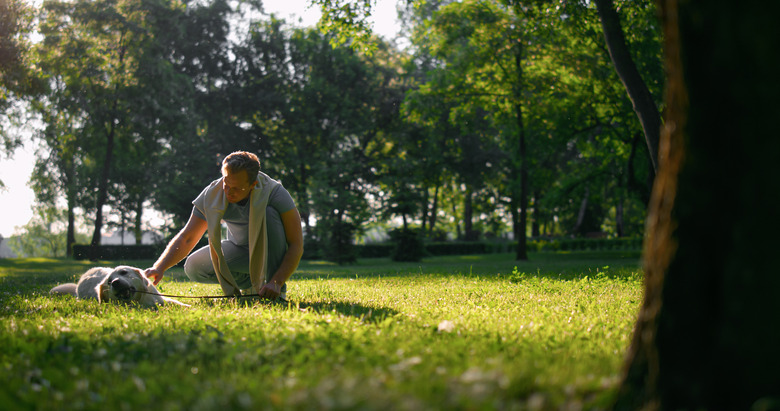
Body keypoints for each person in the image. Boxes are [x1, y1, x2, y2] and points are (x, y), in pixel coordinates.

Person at [144, 151, 303, 300]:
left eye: (237, 188)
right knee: (194, 266)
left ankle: (274, 291)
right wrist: (159, 267)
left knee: (269, 213)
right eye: (226, 184)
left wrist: (277, 281)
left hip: (270, 252)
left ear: (253, 184)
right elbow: (187, 237)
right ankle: (251, 286)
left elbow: (296, 243)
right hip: (241, 250)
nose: (229, 192)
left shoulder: (275, 192)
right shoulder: (212, 194)